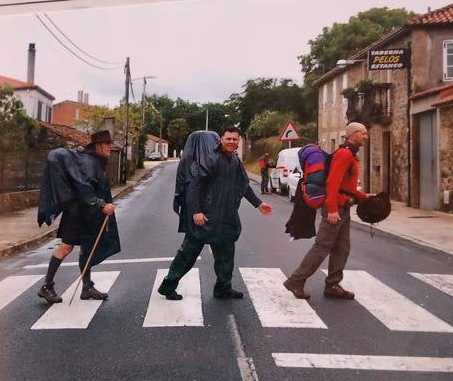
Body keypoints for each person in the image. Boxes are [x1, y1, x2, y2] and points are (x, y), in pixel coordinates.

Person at [157, 127, 273, 301]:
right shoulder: (210, 158)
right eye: (228, 139)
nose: (232, 142)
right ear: (221, 139)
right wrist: (196, 211)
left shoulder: (234, 160)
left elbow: (243, 184)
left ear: (238, 141)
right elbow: (195, 185)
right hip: (206, 216)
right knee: (188, 253)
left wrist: (258, 203)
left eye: (235, 139)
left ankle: (223, 288)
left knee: (226, 253)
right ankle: (168, 285)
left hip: (226, 216)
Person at [283, 122, 375, 300]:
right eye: (363, 133)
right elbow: (332, 183)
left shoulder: (350, 154)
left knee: (342, 247)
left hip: (344, 206)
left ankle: (333, 284)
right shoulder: (344, 154)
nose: (366, 136)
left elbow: (345, 186)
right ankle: (296, 280)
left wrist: (363, 196)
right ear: (353, 134)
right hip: (336, 207)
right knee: (322, 246)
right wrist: (332, 209)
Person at [36, 129, 121, 303]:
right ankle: (47, 286)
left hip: (85, 213)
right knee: (66, 247)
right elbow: (83, 188)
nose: (109, 148)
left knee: (86, 248)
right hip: (77, 214)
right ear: (98, 146)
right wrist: (102, 205)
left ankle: (87, 287)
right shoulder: (90, 162)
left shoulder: (94, 160)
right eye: (107, 144)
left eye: (110, 144)